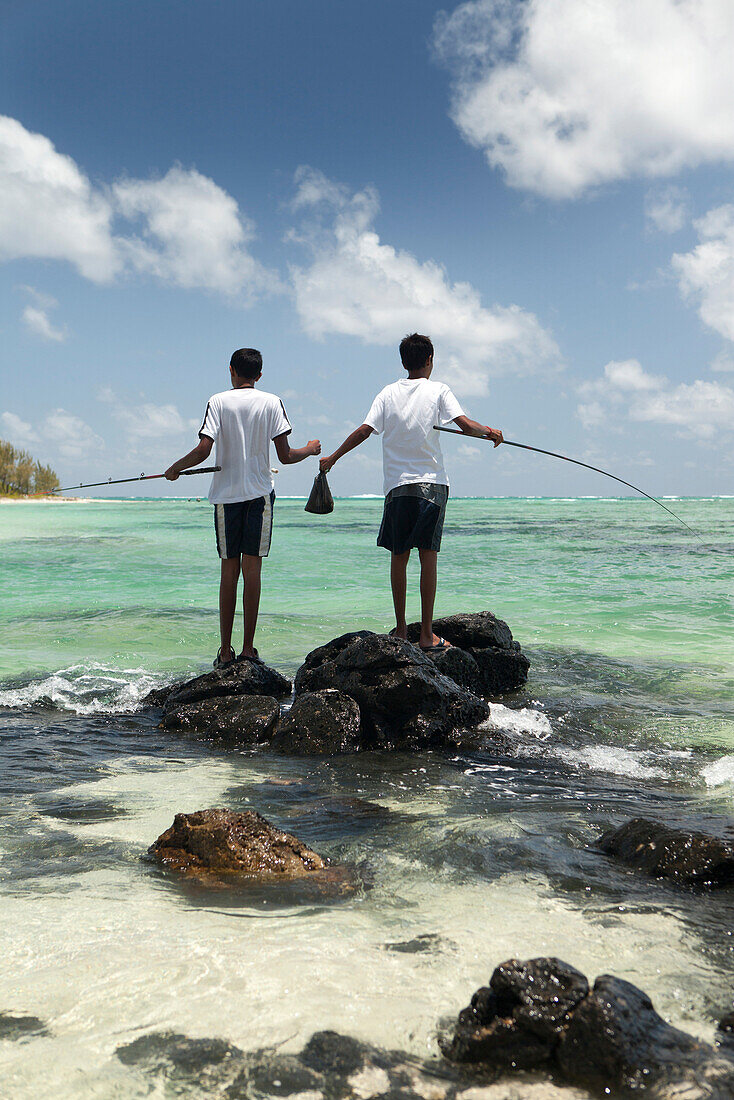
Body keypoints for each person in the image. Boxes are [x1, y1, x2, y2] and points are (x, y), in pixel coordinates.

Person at [319, 333, 502, 651]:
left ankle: (402, 630)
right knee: (427, 556)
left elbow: (364, 430)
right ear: (430, 359)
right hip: (431, 485)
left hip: (398, 487)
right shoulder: (439, 389)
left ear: (404, 361)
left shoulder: (388, 393)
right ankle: (427, 634)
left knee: (398, 557)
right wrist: (490, 432)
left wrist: (332, 458)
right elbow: (465, 425)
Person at [165, 348, 320, 667]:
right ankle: (248, 649)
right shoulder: (272, 402)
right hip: (260, 495)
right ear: (259, 375)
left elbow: (204, 450)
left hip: (225, 498)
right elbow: (286, 456)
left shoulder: (217, 401)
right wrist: (310, 449)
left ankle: (224, 651)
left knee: (228, 572)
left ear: (231, 370)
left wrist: (175, 468)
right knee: (253, 573)